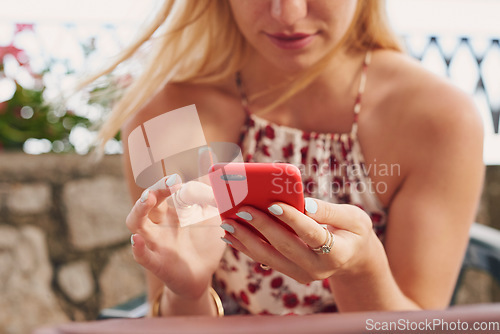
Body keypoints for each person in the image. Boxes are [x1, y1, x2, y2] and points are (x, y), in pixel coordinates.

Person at [92, 0, 484, 316]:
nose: (288, 13)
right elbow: (178, 320)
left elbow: (418, 327)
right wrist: (188, 291)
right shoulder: (168, 116)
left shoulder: (439, 119)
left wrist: (361, 268)